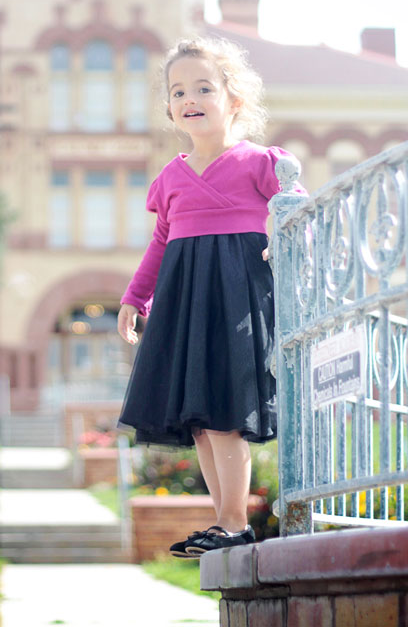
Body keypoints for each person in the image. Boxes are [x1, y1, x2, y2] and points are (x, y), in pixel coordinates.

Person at [117, 36, 305, 557]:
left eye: (203, 87)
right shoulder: (171, 178)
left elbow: (299, 211)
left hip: (235, 298)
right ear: (170, 108)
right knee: (200, 422)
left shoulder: (259, 162)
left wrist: (283, 245)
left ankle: (232, 523)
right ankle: (226, 523)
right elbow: (160, 243)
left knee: (226, 416)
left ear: (234, 100)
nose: (189, 98)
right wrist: (137, 297)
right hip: (184, 305)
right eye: (178, 92)